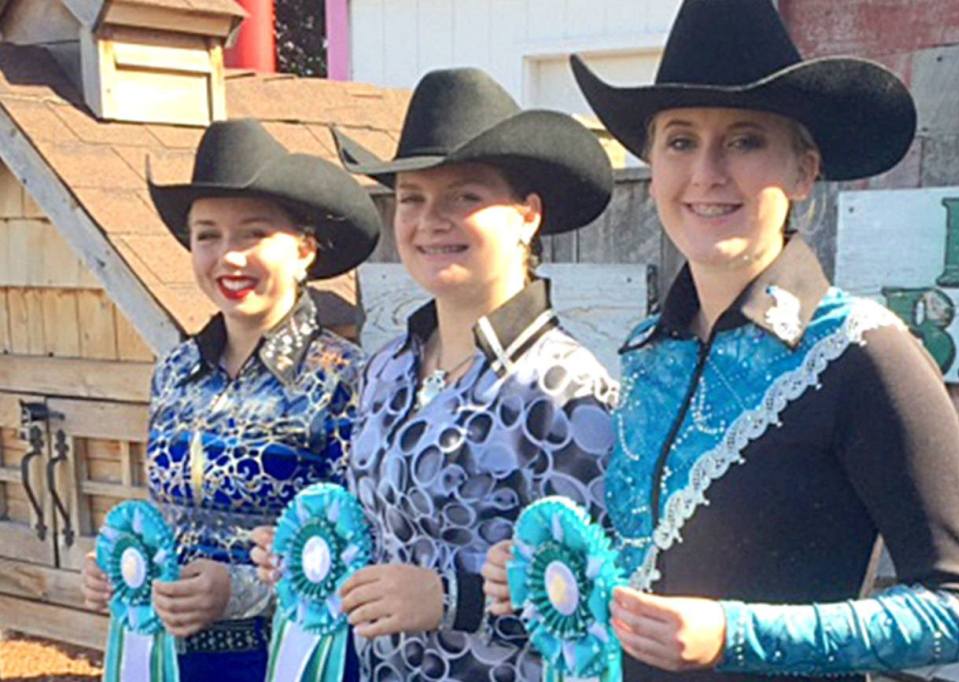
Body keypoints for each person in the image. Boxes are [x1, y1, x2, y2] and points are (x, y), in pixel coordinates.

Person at [484, 0, 959, 679]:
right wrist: (552, 572)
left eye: (745, 140)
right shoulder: (648, 349)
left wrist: (737, 632)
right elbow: (647, 557)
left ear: (804, 172)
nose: (707, 172)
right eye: (680, 141)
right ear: (652, 164)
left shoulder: (865, 355)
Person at [253, 66, 618, 680]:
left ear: (527, 216)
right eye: (412, 198)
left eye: (464, 197)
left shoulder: (567, 391)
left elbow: (601, 596)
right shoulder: (386, 370)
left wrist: (454, 599)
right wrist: (309, 557)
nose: (430, 219)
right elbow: (382, 539)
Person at [80, 118, 380, 681]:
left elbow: (367, 545)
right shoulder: (175, 371)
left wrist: (240, 590)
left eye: (253, 234)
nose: (229, 257)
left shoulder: (349, 379)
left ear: (304, 250)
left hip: (295, 660)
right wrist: (121, 569)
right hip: (172, 658)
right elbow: (165, 514)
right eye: (208, 235)